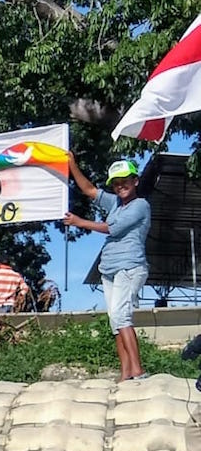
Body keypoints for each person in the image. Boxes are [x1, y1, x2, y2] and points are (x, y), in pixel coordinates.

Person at [64, 155, 150, 381]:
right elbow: (89, 190)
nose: (120, 185)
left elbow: (112, 228)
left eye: (125, 180)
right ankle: (125, 374)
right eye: (116, 182)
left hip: (129, 267)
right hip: (109, 268)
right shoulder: (114, 203)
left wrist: (79, 222)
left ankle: (138, 371)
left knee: (122, 317)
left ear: (135, 181)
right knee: (115, 322)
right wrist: (71, 163)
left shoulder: (140, 205)